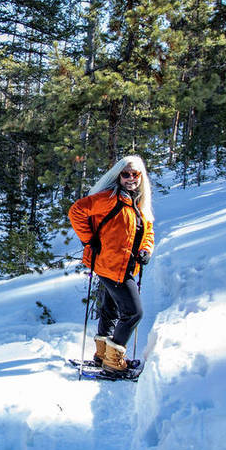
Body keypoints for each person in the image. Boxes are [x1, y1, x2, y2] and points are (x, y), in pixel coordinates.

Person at [68, 155, 155, 373]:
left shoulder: (138, 202)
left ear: (141, 177)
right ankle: (114, 363)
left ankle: (102, 356)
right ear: (118, 176)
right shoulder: (109, 199)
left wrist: (146, 249)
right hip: (110, 266)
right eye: (126, 174)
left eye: (135, 174)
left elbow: (147, 231)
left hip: (124, 266)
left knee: (110, 309)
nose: (131, 178)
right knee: (134, 313)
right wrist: (89, 240)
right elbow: (76, 211)